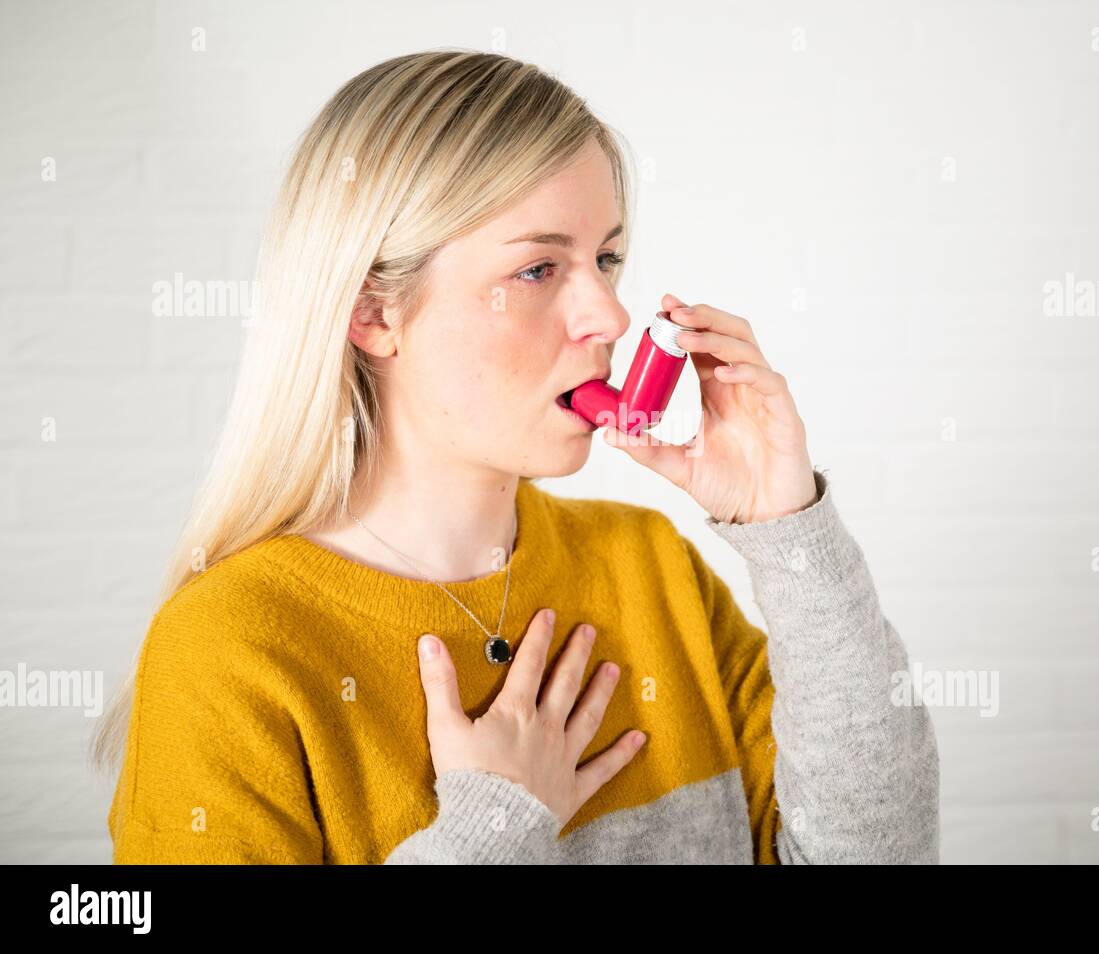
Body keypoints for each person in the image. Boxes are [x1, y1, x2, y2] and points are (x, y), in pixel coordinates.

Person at [95, 49, 940, 864]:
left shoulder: (654, 570)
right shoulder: (228, 651)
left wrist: (789, 531)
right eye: (539, 268)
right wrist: (493, 827)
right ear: (375, 315)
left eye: (607, 258)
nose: (608, 315)